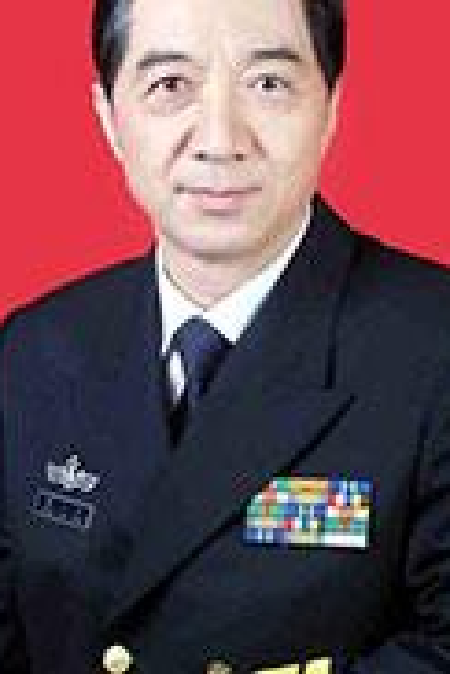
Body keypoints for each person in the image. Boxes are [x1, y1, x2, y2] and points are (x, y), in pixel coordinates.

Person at [1, 0, 450, 672]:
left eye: (268, 83)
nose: (219, 139)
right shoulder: (34, 350)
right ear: (109, 119)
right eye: (169, 84)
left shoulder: (433, 346)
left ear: (331, 106)